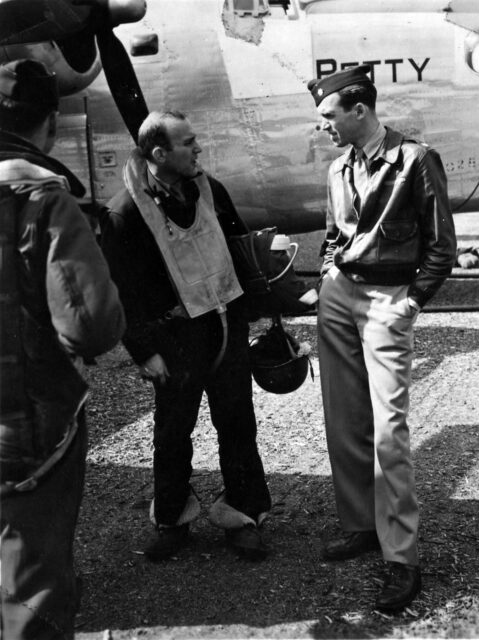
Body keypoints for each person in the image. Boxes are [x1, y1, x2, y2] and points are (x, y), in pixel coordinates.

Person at [308, 65, 456, 612]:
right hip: (340, 297)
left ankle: (401, 556)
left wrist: (411, 302)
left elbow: (442, 245)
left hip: (387, 301)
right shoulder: (337, 169)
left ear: (359, 111)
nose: (322, 126)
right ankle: (361, 525)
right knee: (344, 418)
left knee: (389, 430)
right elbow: (332, 236)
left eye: (328, 117)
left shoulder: (415, 160)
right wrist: (327, 276)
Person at [101, 110, 272, 562]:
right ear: (160, 153)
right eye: (188, 142)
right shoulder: (124, 212)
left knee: (237, 423)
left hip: (224, 326)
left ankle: (245, 513)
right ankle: (172, 520)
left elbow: (239, 248)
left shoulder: (210, 190)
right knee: (173, 433)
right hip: (174, 338)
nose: (198, 149)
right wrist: (143, 351)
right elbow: (122, 292)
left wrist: (262, 313)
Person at [0, 59, 126, 639]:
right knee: (30, 592)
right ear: (50, 124)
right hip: (24, 429)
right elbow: (92, 327)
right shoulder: (41, 197)